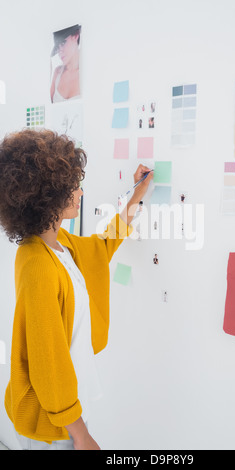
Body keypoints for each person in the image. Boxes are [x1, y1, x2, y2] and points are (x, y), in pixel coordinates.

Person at [0, 129, 153, 450]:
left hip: (66, 411)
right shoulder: (36, 263)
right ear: (49, 196)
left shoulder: (61, 245)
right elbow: (48, 361)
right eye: (73, 187)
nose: (80, 193)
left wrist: (135, 198)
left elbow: (103, 245)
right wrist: (81, 434)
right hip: (50, 421)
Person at [50, 25, 81, 103]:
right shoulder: (57, 72)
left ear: (76, 35)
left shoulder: (87, 72)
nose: (60, 51)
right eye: (57, 47)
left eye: (63, 43)